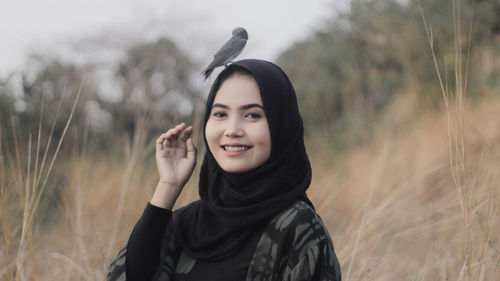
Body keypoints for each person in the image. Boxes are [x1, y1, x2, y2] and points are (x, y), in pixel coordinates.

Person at [107, 59, 341, 281]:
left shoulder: (298, 229)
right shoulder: (186, 224)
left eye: (252, 115)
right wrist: (168, 187)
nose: (232, 129)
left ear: (281, 125)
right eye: (220, 114)